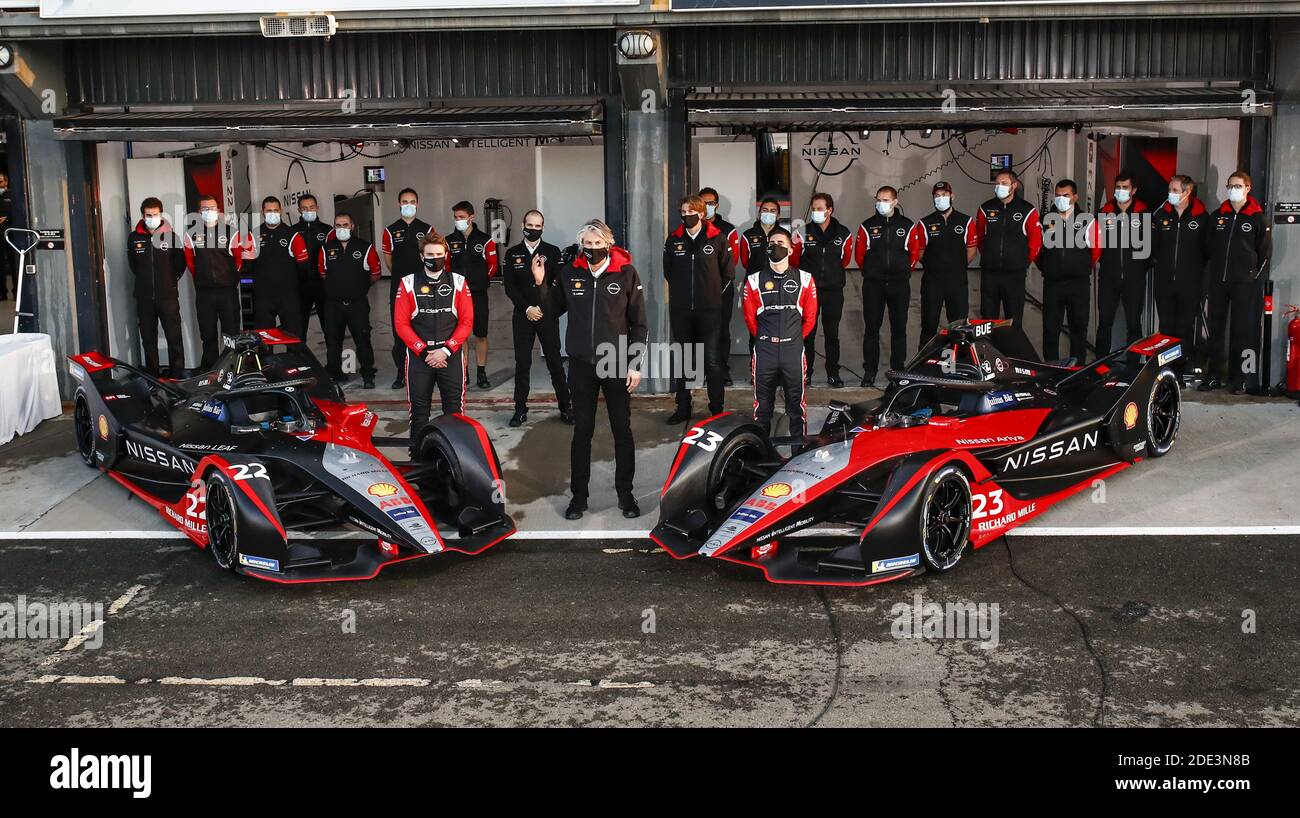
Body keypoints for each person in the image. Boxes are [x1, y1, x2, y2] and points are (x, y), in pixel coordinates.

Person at [532, 219, 647, 521]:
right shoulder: (570, 273)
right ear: (582, 244)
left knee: (622, 431)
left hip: (616, 362)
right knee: (581, 433)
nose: (593, 249)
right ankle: (578, 498)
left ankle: (626, 494)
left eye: (598, 244)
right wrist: (541, 282)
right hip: (581, 365)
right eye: (588, 244)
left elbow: (639, 324)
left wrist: (635, 364)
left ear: (609, 244)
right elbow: (552, 311)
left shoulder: (626, 273)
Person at [393, 234, 474, 445]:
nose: (434, 258)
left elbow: (466, 322)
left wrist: (446, 350)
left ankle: (456, 462)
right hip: (420, 358)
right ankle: (418, 462)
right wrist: (423, 351)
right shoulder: (407, 283)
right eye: (430, 254)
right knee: (419, 415)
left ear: (446, 255)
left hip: (451, 357)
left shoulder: (459, 282)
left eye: (439, 254)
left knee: (455, 414)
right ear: (421, 256)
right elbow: (401, 324)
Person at [663, 194, 732, 424]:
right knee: (683, 360)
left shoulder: (717, 238)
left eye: (690, 212)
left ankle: (716, 409)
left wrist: (710, 297)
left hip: (709, 311)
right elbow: (669, 272)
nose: (685, 216)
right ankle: (683, 408)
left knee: (712, 361)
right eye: (682, 212)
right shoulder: (674, 240)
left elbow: (727, 273)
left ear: (701, 213)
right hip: (682, 311)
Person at [742, 229, 817, 437]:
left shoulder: (805, 279)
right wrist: (766, 339)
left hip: (793, 350)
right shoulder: (754, 280)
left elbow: (810, 318)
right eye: (772, 242)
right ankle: (760, 455)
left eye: (782, 243)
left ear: (791, 249)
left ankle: (798, 454)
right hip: (765, 350)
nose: (777, 246)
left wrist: (793, 339)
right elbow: (750, 319)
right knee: (762, 409)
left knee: (797, 408)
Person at [1203, 170, 1272, 395]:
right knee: (1215, 330)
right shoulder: (1217, 216)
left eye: (1238, 185)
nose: (1233, 189)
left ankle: (1239, 378)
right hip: (1218, 283)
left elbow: (1264, 253)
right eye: (1230, 185)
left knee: (1242, 331)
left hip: (1244, 284)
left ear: (1247, 188)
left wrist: (1252, 278)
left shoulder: (1257, 217)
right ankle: (1213, 375)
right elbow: (1208, 248)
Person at [502, 209, 571, 427]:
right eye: (529, 225)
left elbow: (557, 285)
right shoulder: (512, 253)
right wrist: (527, 308)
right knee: (522, 364)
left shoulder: (552, 252)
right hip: (523, 317)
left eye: (537, 225)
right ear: (523, 224)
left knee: (555, 364)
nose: (533, 229)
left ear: (543, 227)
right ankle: (520, 409)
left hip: (547, 316)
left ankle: (566, 408)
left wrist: (543, 308)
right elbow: (510, 288)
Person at [854, 186, 923, 387]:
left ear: (895, 201)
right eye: (878, 199)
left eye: (886, 199)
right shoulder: (867, 226)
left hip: (899, 284)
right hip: (873, 285)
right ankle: (870, 370)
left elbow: (913, 253)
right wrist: (872, 271)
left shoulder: (907, 225)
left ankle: (898, 370)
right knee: (871, 329)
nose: (881, 203)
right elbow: (860, 257)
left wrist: (901, 271)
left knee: (899, 328)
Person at [183, 194, 252, 369]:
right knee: (208, 336)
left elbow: (239, 260)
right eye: (205, 209)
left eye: (212, 208)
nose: (209, 212)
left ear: (218, 211)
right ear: (199, 212)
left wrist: (228, 278)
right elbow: (190, 262)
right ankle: (210, 371)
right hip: (204, 294)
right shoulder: (191, 234)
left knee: (231, 334)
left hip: (227, 292)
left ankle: (233, 368)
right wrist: (202, 278)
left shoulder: (231, 232)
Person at [1152, 175, 1211, 374]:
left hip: (1190, 284)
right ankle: (1165, 369)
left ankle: (1180, 371)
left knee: (1184, 329)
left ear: (1187, 192)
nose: (1171, 193)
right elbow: (1153, 247)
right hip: (1164, 282)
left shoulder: (1202, 217)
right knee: (1166, 328)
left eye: (1175, 190)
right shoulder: (1161, 215)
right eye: (1170, 189)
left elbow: (1208, 251)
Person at [1036, 180, 1099, 362]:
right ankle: (1051, 369)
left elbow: (1095, 251)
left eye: (1066, 195)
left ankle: (1077, 369)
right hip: (1053, 283)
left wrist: (1081, 266)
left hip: (1078, 284)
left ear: (1075, 197)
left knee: (1079, 328)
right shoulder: (1045, 220)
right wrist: (1048, 266)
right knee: (1050, 329)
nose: (1061, 199)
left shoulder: (1087, 220)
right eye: (1058, 195)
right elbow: (1037, 250)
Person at [317, 212, 381, 389]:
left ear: (352, 227)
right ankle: (335, 373)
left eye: (345, 225)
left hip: (357, 304)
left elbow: (375, 274)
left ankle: (368, 375)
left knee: (362, 340)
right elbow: (323, 273)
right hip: (333, 305)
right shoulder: (326, 248)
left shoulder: (365, 247)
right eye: (338, 225)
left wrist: (357, 288)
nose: (341, 228)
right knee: (333, 340)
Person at [971, 169, 1042, 324]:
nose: (999, 187)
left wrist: (1022, 262)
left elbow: (1035, 242)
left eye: (1004, 183)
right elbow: (980, 239)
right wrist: (991, 256)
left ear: (1014, 185)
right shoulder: (985, 208)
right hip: (990, 273)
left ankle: (1012, 348)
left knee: (1014, 319)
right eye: (997, 184)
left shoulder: (1027, 210)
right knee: (987, 321)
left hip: (1014, 275)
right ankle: (989, 347)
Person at [126, 197, 187, 376]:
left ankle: (177, 374)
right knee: (148, 338)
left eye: (155, 214)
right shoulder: (134, 237)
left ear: (161, 214)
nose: (152, 218)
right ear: (143, 216)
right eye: (148, 215)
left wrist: (169, 281)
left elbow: (180, 264)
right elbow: (133, 265)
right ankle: (153, 374)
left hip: (167, 296)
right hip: (144, 297)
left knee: (174, 337)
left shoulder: (171, 236)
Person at [799, 192, 853, 387]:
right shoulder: (802, 232)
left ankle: (833, 373)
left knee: (832, 334)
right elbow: (796, 260)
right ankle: (806, 373)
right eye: (813, 209)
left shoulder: (844, 233)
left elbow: (845, 259)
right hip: (809, 293)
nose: (816, 212)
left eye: (820, 209)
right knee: (808, 335)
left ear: (829, 210)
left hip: (833, 291)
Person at [740, 198, 802, 362]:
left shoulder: (785, 235)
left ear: (779, 215)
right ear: (759, 213)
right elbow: (745, 261)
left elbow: (793, 261)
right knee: (755, 329)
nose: (768, 213)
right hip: (756, 288)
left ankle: (780, 370)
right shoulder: (748, 235)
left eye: (772, 211)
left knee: (780, 329)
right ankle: (756, 368)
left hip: (781, 287)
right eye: (765, 210)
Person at [1095, 172, 1151, 355]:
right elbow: (1096, 241)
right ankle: (1099, 366)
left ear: (1133, 190)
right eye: (1118, 187)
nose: (1120, 191)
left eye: (1125, 187)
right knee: (1104, 322)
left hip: (1134, 278)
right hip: (1108, 277)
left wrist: (1141, 266)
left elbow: (1152, 244)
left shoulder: (1143, 212)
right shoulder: (1105, 211)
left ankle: (1134, 368)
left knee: (1134, 323)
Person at [382, 188, 432, 388]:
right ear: (399, 204)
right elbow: (388, 260)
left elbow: (433, 256)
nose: (408, 205)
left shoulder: (427, 229)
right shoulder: (390, 230)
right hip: (399, 288)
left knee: (424, 327)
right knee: (400, 331)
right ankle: (401, 373)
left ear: (418, 204)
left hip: (423, 287)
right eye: (405, 201)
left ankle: (426, 370)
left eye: (412, 201)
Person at [446, 201, 498, 389]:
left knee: (481, 334)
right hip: (457, 296)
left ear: (471, 217)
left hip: (478, 294)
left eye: (461, 217)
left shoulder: (485, 240)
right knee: (462, 336)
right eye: (455, 217)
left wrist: (479, 281)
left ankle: (481, 373)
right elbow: (446, 267)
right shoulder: (449, 241)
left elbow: (493, 265)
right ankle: (464, 371)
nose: (458, 220)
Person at [917, 181, 974, 345]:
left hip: (957, 282)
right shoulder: (924, 223)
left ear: (952, 196)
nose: (940, 198)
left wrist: (955, 267)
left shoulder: (966, 221)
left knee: (960, 327)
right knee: (929, 325)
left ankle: (959, 362)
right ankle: (925, 364)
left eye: (944, 195)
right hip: (932, 282)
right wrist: (936, 267)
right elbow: (920, 253)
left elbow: (971, 252)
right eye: (937, 196)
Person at [247, 196, 309, 339]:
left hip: (288, 297)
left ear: (281, 211)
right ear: (263, 212)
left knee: (293, 337)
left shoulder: (293, 235)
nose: (272, 213)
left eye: (275, 210)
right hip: (263, 298)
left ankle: (294, 362)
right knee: (264, 340)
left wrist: (293, 287)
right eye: (269, 210)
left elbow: (303, 268)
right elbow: (248, 267)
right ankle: (267, 362)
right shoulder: (253, 235)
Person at [699, 187, 742, 385]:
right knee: (700, 330)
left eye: (711, 203)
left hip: (722, 289)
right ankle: (703, 370)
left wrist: (716, 279)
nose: (707, 207)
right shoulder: (692, 227)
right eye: (703, 202)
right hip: (698, 289)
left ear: (716, 205)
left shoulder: (728, 229)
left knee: (722, 330)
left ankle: (722, 371)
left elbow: (733, 260)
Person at [293, 194, 331, 340]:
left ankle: (333, 363)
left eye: (311, 207)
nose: (308, 211)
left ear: (317, 208)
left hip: (323, 286)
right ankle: (298, 361)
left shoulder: (327, 231)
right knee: (298, 331)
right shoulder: (293, 231)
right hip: (300, 287)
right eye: (304, 208)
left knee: (329, 328)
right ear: (299, 210)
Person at [0, 172, 13, 302]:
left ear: (6, 182)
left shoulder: (11, 196)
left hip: (10, 234)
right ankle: (2, 293)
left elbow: (19, 212)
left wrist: (7, 218)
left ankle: (16, 293)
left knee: (13, 263)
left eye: (0, 182)